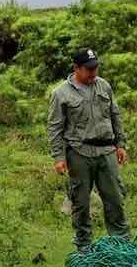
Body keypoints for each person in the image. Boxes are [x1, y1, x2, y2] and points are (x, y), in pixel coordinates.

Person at [47, 48, 130, 250]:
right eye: (89, 69)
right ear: (76, 68)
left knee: (115, 199)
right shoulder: (61, 93)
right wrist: (59, 157)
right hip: (79, 152)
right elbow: (55, 127)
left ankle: (121, 246)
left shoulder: (104, 86)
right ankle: (84, 247)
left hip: (106, 151)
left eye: (96, 68)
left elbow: (115, 115)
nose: (93, 72)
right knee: (81, 203)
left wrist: (120, 144)